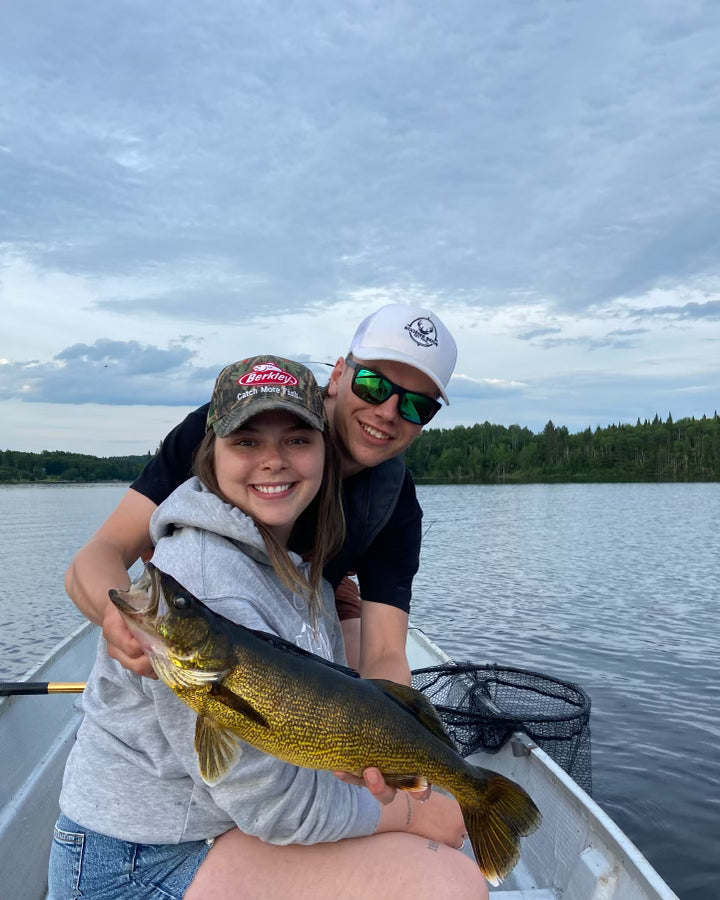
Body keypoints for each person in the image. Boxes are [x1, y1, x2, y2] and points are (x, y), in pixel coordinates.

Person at [48, 356, 487, 900]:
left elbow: (371, 664)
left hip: (215, 821)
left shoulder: (304, 569)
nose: (273, 461)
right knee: (447, 884)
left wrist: (366, 760)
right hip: (136, 861)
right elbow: (275, 805)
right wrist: (407, 815)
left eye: (298, 441)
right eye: (247, 442)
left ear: (327, 452)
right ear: (209, 453)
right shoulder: (207, 582)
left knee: (437, 836)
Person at [66, 303, 458, 686]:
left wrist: (390, 726)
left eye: (416, 406)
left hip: (317, 585)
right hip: (217, 583)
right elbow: (104, 550)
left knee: (349, 676)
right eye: (374, 385)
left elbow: (386, 654)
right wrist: (119, 622)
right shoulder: (228, 425)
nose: (389, 412)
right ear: (339, 374)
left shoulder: (393, 501)